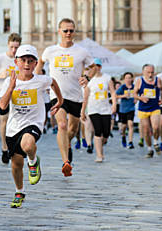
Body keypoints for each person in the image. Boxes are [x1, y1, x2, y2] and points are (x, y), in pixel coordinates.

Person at [0, 44, 62, 208]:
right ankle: (19, 191)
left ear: (35, 64)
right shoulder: (9, 81)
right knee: (16, 164)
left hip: (34, 123)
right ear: (16, 62)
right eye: (23, 60)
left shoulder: (41, 80)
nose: (27, 64)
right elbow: (3, 106)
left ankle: (33, 162)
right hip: (14, 127)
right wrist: (11, 88)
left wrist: (60, 101)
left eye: (30, 61)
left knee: (27, 144)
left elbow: (53, 82)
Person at [35, 18, 95, 177]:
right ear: (59, 31)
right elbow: (40, 62)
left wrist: (87, 77)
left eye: (71, 30)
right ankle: (65, 162)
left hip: (75, 96)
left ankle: (66, 144)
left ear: (74, 32)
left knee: (73, 129)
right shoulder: (50, 50)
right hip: (57, 94)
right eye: (65, 30)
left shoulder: (81, 52)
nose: (68, 33)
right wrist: (38, 78)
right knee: (61, 125)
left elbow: (93, 67)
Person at [0, 33, 21, 164]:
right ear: (8, 45)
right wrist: (0, 75)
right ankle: (4, 148)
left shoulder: (21, 59)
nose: (14, 50)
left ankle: (14, 146)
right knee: (4, 122)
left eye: (16, 47)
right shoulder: (0, 58)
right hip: (1, 95)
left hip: (18, 96)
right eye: (12, 47)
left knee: (17, 123)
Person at [81, 58, 116, 162]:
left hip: (105, 109)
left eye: (97, 66)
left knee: (106, 133)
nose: (95, 68)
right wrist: (83, 111)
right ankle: (99, 155)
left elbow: (113, 92)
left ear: (100, 67)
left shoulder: (107, 78)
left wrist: (114, 104)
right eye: (93, 66)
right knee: (97, 131)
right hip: (93, 109)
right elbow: (85, 98)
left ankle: (101, 143)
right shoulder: (89, 81)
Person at [134, 64, 162, 158]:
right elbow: (134, 94)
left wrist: (161, 98)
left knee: (156, 126)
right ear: (143, 72)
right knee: (146, 130)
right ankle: (150, 149)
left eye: (152, 72)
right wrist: (140, 98)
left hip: (155, 107)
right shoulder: (139, 81)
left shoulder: (158, 80)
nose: (150, 75)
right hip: (143, 108)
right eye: (148, 72)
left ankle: (155, 142)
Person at [116, 72, 136, 149]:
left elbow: (138, 95)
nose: (128, 79)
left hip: (131, 108)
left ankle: (130, 142)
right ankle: (123, 137)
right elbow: (116, 95)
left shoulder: (134, 87)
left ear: (132, 79)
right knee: (123, 127)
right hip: (123, 109)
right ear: (124, 79)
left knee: (130, 124)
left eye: (129, 78)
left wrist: (136, 100)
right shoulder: (122, 87)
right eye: (126, 78)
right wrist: (123, 96)